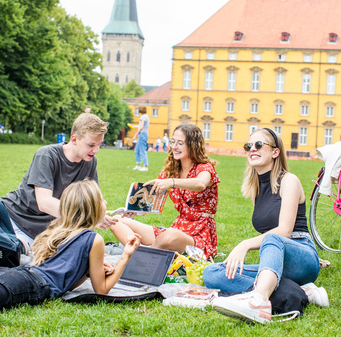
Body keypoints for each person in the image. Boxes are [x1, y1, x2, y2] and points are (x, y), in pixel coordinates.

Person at [0, 180, 142, 316]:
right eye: (102, 201)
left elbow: (66, 280)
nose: (106, 204)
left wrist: (87, 272)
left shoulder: (61, 229)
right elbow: (101, 289)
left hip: (6, 272)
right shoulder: (94, 239)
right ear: (92, 208)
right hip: (25, 284)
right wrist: (125, 255)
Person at [204, 128, 328, 324]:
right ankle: (303, 292)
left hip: (301, 255)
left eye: (259, 145)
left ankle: (259, 301)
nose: (252, 149)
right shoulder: (255, 190)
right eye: (248, 146)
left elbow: (285, 231)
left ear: (275, 152)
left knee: (273, 237)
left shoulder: (289, 181)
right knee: (213, 272)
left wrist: (245, 244)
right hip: (274, 262)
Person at [0, 113, 114, 255]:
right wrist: (86, 216)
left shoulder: (90, 162)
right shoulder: (47, 155)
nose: (96, 151)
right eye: (91, 145)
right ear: (74, 139)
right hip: (16, 221)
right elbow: (45, 203)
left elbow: (92, 201)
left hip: (50, 232)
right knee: (7, 254)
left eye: (99, 145)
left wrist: (99, 213)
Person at [110, 123, 219, 258]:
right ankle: (140, 252)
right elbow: (152, 202)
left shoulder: (205, 168)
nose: (174, 147)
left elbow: (200, 183)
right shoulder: (171, 171)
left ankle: (141, 257)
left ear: (193, 144)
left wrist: (171, 183)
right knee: (116, 220)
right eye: (173, 142)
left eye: (180, 143)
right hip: (178, 227)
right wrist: (135, 209)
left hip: (199, 234)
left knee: (169, 236)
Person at [132, 106, 149, 171]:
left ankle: (145, 166)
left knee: (142, 151)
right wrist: (134, 126)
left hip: (142, 135)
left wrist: (135, 135)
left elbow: (141, 127)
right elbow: (141, 126)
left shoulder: (143, 117)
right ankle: (138, 165)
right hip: (142, 135)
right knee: (137, 151)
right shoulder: (145, 116)